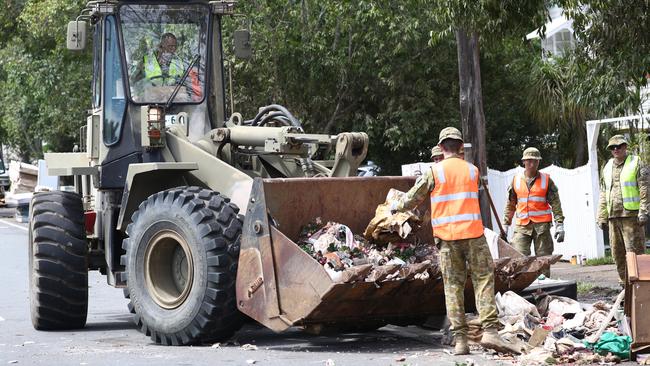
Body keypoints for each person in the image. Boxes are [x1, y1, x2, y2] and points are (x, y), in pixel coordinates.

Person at [391, 127, 510, 355]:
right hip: (474, 236)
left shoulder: (434, 172)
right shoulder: (472, 171)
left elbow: (413, 199)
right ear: (460, 147)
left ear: (442, 147)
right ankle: (490, 332)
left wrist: (395, 205)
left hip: (447, 239)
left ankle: (461, 342)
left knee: (453, 288)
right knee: (483, 280)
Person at [502, 147, 565, 277]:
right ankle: (520, 286)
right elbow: (510, 204)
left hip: (542, 227)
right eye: (529, 161)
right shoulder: (516, 180)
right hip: (522, 227)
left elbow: (555, 203)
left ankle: (543, 289)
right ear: (523, 162)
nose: (532, 164)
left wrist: (560, 224)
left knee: (543, 260)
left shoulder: (546, 180)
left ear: (538, 162)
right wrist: (505, 225)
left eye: (535, 161)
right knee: (518, 258)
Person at [597, 135, 648, 286]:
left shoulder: (636, 162)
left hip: (631, 218)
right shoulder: (607, 167)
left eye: (619, 146)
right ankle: (624, 289)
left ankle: (641, 288)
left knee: (636, 255)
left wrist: (644, 210)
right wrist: (601, 215)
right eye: (613, 147)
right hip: (613, 218)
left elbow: (645, 189)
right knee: (617, 255)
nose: (616, 149)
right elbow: (603, 192)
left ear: (625, 146)